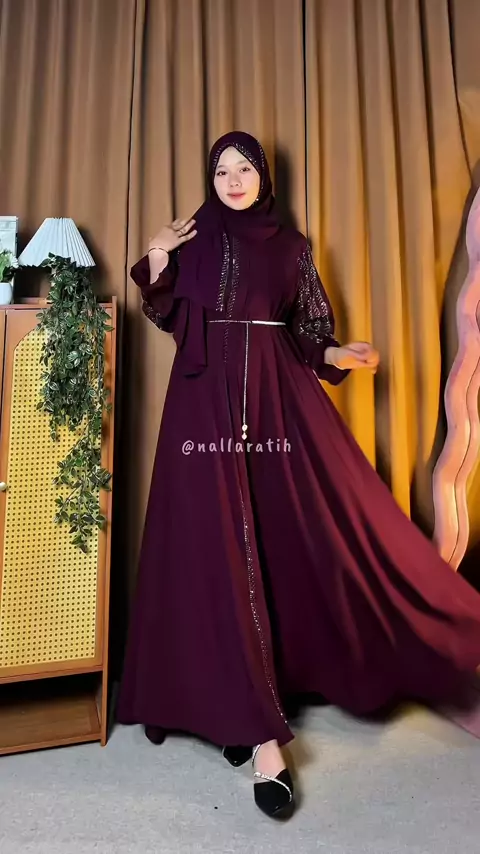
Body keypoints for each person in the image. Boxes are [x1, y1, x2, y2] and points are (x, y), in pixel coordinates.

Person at [117, 131, 480, 820]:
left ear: (263, 175)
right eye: (221, 170)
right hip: (201, 405)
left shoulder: (291, 247)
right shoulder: (192, 239)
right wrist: (159, 254)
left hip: (276, 401)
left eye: (243, 168)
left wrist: (339, 353)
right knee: (212, 550)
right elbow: (166, 312)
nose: (232, 180)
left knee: (287, 536)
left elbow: (307, 328)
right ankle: (256, 733)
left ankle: (254, 716)